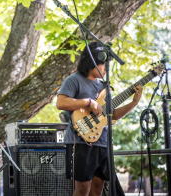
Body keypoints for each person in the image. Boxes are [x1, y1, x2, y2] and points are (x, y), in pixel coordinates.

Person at [56, 42, 143, 196]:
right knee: (82, 190)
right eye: (103, 65)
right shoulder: (73, 80)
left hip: (102, 141)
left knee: (98, 190)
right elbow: (61, 103)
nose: (105, 69)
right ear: (92, 63)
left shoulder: (104, 87)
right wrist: (88, 102)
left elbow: (112, 115)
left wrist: (134, 102)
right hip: (81, 141)